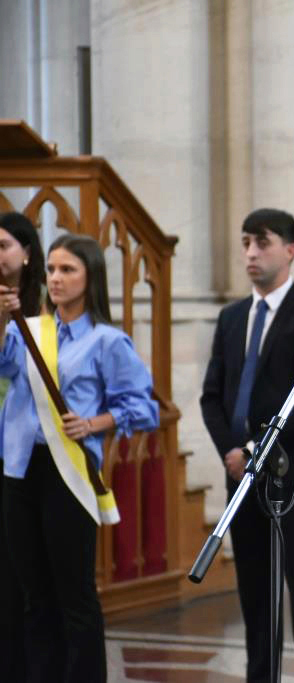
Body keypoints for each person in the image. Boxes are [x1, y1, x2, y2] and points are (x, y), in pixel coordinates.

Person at [0, 233, 159, 682]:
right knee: (35, 596)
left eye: (67, 269)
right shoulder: (26, 330)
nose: (55, 278)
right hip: (19, 470)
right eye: (50, 269)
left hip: (67, 474)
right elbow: (3, 366)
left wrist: (93, 424)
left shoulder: (107, 341)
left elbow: (142, 408)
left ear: (91, 278)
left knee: (75, 597)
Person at [200, 208, 294, 683]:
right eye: (245, 243)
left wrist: (258, 449)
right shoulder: (232, 316)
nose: (251, 253)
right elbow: (212, 395)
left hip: (292, 471)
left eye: (262, 242)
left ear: (290, 250)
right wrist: (231, 453)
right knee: (254, 591)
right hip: (240, 472)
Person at [0, 211, 45, 683]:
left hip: (23, 455)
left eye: (4, 245)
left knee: (19, 578)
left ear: (27, 252)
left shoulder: (44, 307)